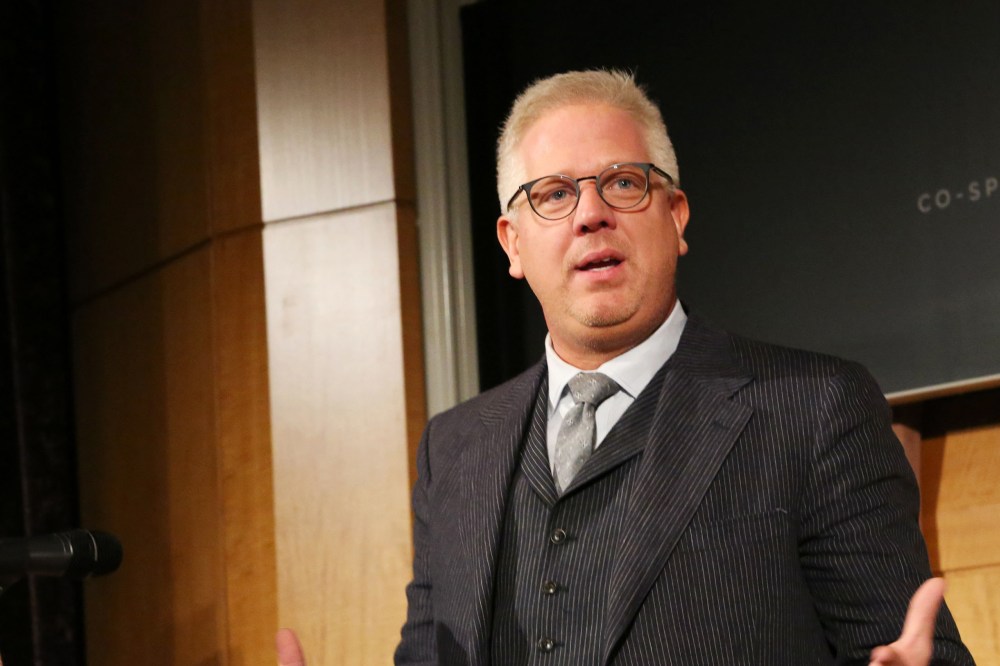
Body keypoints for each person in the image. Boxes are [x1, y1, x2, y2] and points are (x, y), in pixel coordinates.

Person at [278, 70, 974, 665]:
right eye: (552, 194)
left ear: (675, 215)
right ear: (512, 244)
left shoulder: (813, 408)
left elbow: (907, 646)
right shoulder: (454, 449)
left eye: (622, 182)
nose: (590, 214)